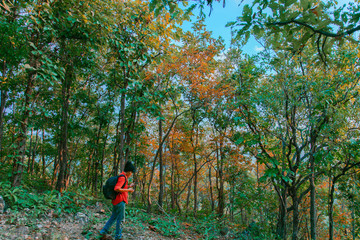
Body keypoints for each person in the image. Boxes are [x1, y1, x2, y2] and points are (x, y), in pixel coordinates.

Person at [99, 161, 136, 240]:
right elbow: (117, 188)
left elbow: (121, 186)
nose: (131, 174)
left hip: (116, 201)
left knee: (113, 217)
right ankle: (118, 237)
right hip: (120, 201)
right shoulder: (123, 177)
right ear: (129, 172)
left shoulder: (122, 176)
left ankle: (103, 231)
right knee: (121, 219)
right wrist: (129, 190)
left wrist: (129, 186)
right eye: (131, 173)